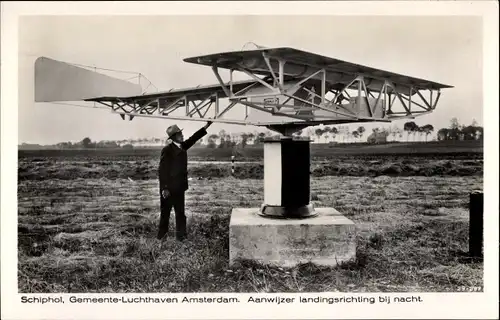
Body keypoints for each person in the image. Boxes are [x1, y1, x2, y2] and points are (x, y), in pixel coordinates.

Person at [157, 121, 213, 241]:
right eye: (179, 134)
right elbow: (162, 171)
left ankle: (181, 238)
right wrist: (165, 188)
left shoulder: (183, 146)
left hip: (179, 188)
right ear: (173, 137)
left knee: (180, 214)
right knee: (165, 215)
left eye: (181, 133)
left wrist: (207, 126)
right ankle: (161, 239)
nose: (182, 135)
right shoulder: (167, 150)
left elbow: (194, 137)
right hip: (168, 190)